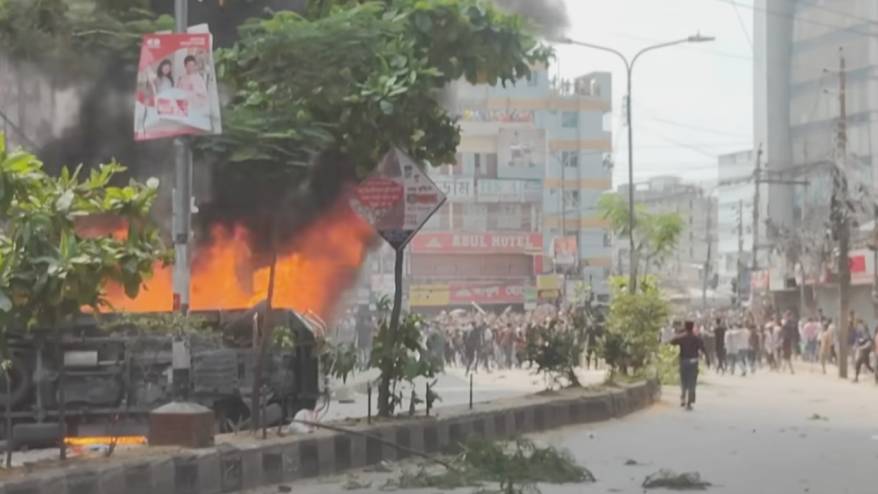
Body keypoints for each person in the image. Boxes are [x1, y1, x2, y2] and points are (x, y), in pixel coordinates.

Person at [671, 320, 710, 411]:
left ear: (685, 327)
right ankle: (689, 402)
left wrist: (679, 334)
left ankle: (683, 398)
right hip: (693, 362)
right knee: (692, 381)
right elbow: (703, 349)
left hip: (683, 361)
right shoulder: (696, 338)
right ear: (692, 327)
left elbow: (672, 342)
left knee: (683, 380)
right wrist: (708, 359)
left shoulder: (681, 337)